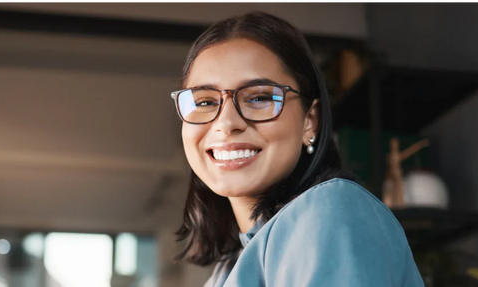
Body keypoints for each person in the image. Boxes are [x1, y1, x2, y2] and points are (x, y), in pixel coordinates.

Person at [170, 11, 424, 287]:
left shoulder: (331, 210)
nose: (227, 123)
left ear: (310, 121)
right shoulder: (229, 264)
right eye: (205, 102)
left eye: (258, 97)